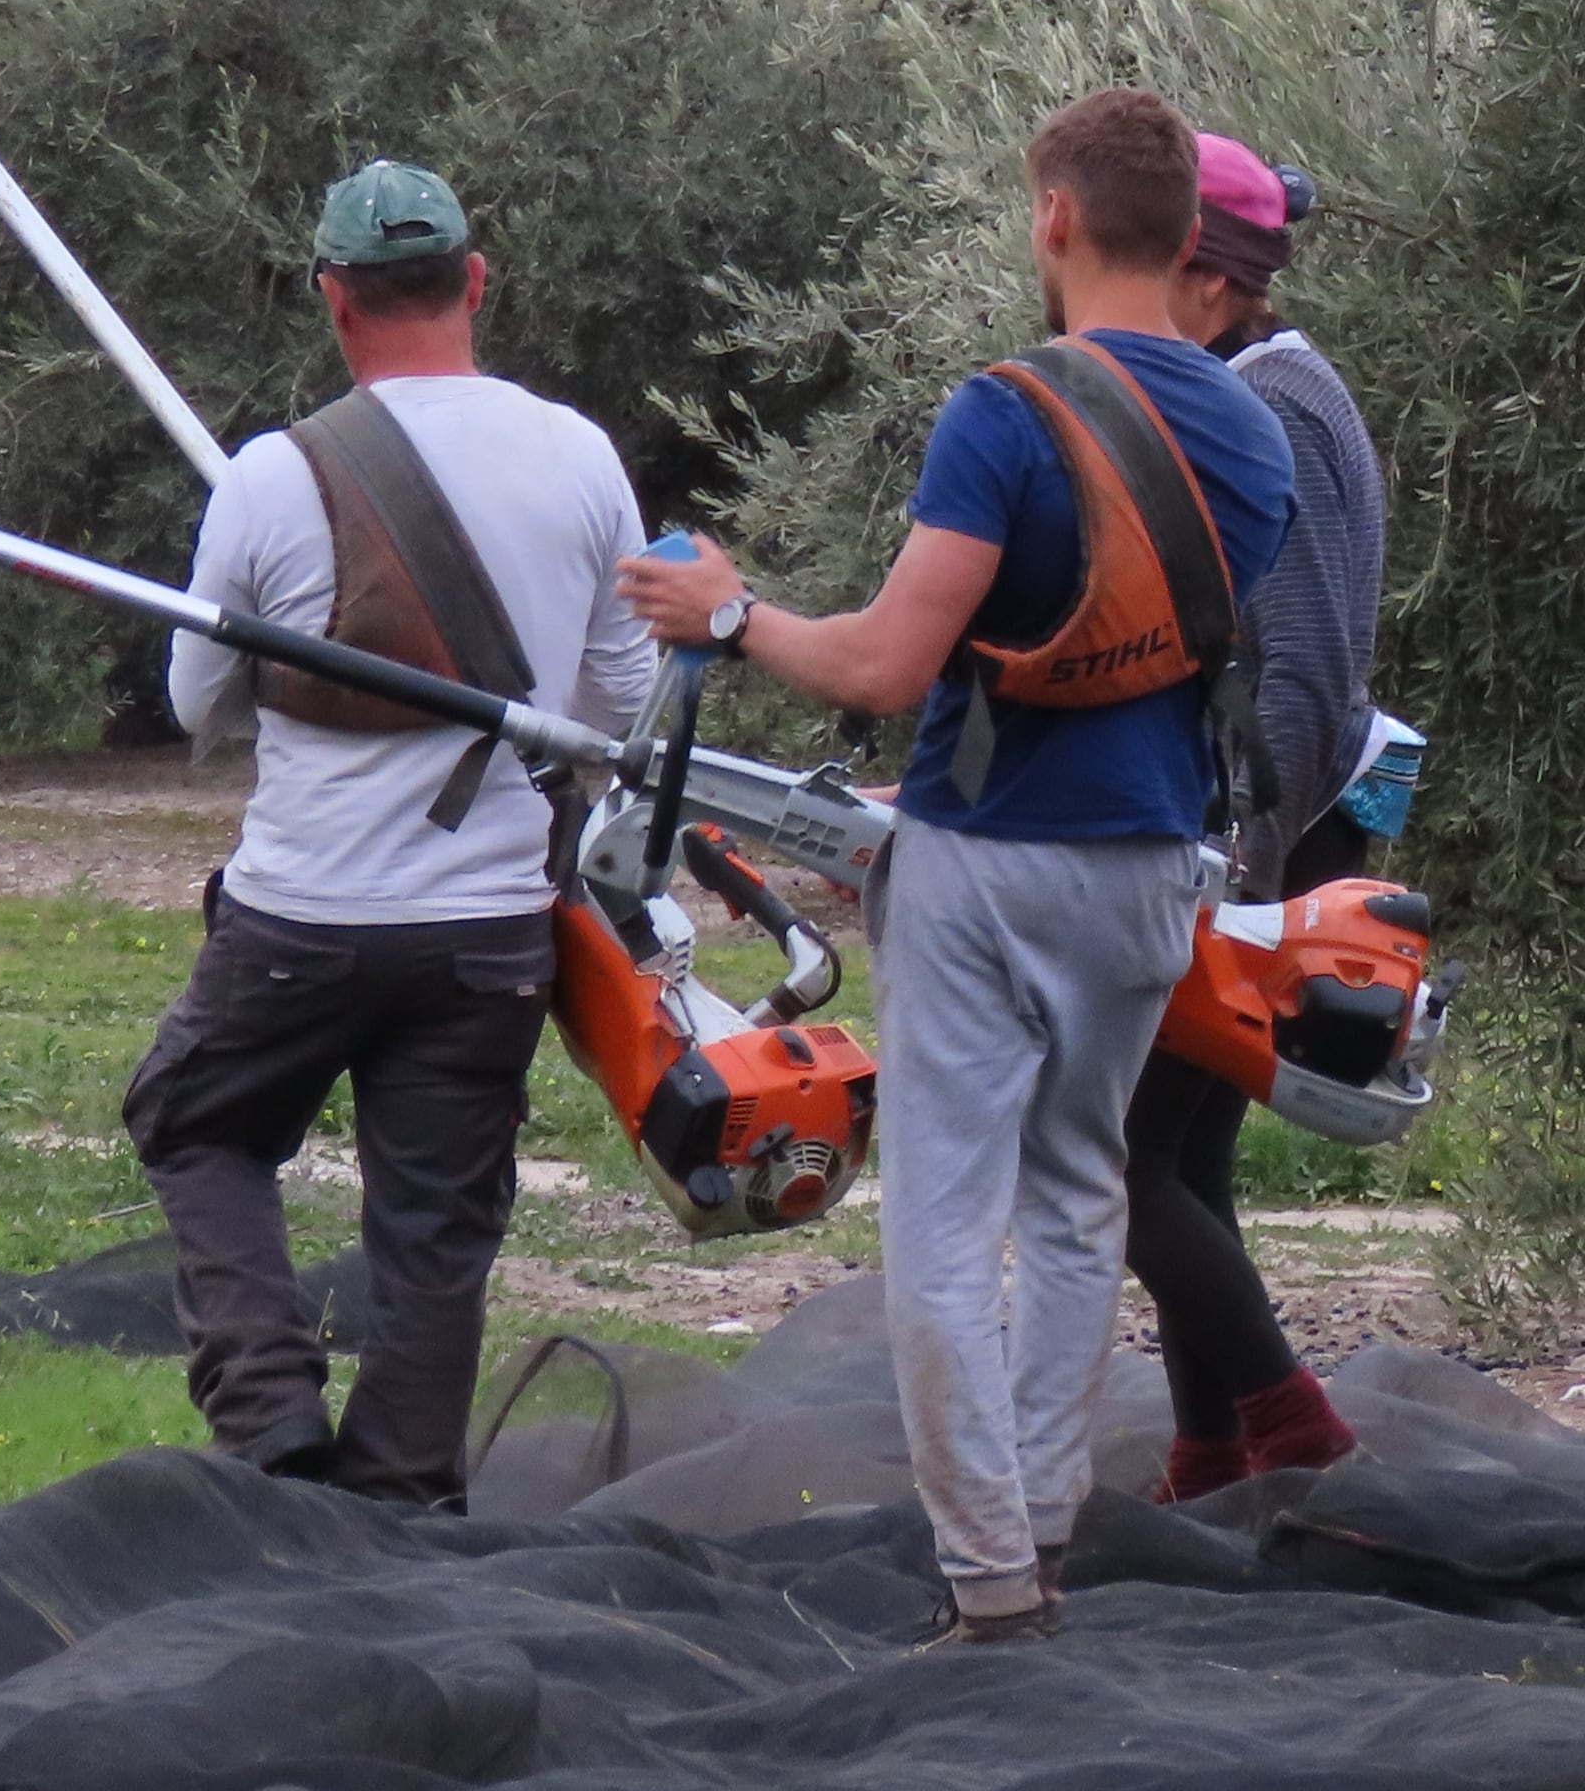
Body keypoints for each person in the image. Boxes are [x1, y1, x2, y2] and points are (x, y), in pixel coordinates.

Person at [625, 90, 1290, 1648]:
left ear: (1053, 219)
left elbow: (883, 664)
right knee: (1079, 1193)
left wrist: (728, 614)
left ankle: (988, 1577)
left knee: (938, 1214)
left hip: (986, 866)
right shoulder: (1255, 434)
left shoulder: (1007, 412)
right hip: (1150, 875)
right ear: (1191, 234)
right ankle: (1043, 1535)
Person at [137, 162, 657, 1509]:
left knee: (196, 1121)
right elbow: (623, 704)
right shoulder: (579, 454)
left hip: (303, 910)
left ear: (332, 297)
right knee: (436, 1224)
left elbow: (196, 701)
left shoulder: (272, 474)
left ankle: (265, 1414)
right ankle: (403, 1493)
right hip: (486, 922)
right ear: (476, 280)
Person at [1122, 135, 1389, 1497]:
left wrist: (1235, 879)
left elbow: (1293, 672)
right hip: (1294, 823)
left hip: (1271, 830)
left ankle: (1292, 1428)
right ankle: (1210, 1446)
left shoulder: (1265, 414)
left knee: (1120, 1158)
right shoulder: (1287, 385)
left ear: (1211, 285)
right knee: (1180, 1154)